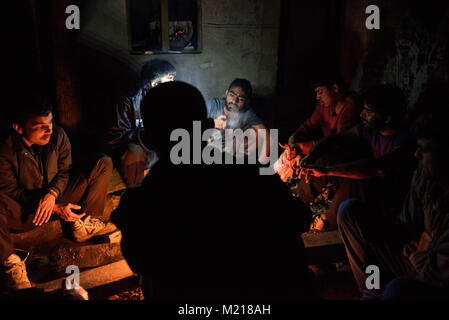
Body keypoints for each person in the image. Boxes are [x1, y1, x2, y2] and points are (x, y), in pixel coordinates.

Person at [112, 81, 315, 299]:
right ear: (208, 126)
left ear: (149, 140)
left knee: (154, 280)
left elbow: (139, 261)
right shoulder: (251, 172)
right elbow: (301, 218)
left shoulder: (144, 200)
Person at [0, 95, 116, 290]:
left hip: (55, 198)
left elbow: (64, 171)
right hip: (25, 212)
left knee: (102, 163)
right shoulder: (6, 149)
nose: (49, 129)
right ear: (19, 128)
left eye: (51, 122)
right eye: (39, 125)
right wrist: (53, 208)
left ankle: (83, 222)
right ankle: (9, 262)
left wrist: (53, 193)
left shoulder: (58, 136)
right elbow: (9, 191)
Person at [336, 110, 449, 299]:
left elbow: (437, 275)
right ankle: (372, 290)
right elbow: (406, 225)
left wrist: (422, 249)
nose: (416, 154)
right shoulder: (424, 177)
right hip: (415, 254)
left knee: (398, 290)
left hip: (432, 280)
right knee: (349, 211)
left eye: (424, 150)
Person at [298, 84, 415, 230]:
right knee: (326, 158)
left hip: (389, 200)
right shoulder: (370, 130)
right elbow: (332, 139)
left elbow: (376, 169)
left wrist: (327, 171)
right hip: (371, 184)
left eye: (368, 111)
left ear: (387, 118)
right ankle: (298, 201)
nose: (362, 114)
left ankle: (326, 223)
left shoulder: (404, 140)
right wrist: (310, 158)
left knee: (356, 180)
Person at [108, 59, 176, 187]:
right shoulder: (129, 99)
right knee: (135, 152)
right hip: (131, 151)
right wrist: (144, 135)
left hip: (153, 151)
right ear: (154, 83)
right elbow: (116, 137)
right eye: (170, 79)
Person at [287, 77, 360, 155]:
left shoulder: (350, 106)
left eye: (320, 92)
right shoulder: (323, 106)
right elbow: (309, 125)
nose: (317, 97)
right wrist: (295, 135)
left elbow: (338, 143)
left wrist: (303, 147)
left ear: (335, 88)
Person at [206, 78, 271, 162]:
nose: (234, 101)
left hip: (226, 150)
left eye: (240, 99)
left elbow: (267, 135)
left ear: (246, 102)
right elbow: (191, 124)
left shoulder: (247, 113)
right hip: (206, 144)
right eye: (231, 95)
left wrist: (261, 162)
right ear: (226, 93)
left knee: (254, 134)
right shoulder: (212, 105)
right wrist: (212, 123)